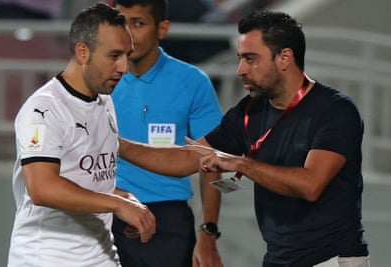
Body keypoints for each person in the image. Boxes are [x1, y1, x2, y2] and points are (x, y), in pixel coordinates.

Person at [117, 10, 370, 267]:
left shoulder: (335, 110)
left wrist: (241, 164)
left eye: (251, 59)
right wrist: (117, 144)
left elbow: (310, 185)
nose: (240, 70)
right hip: (277, 259)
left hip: (332, 260)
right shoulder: (248, 111)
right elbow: (183, 159)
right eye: (240, 59)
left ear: (284, 58)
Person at [6, 3, 156, 267]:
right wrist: (116, 204)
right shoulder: (42, 109)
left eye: (126, 55)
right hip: (46, 259)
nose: (124, 67)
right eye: (114, 55)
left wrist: (125, 200)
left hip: (101, 255)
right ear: (83, 52)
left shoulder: (104, 102)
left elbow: (86, 177)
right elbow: (43, 188)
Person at [111, 1, 223, 267]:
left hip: (167, 221)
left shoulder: (193, 82)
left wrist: (208, 232)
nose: (128, 34)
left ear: (162, 28)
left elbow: (212, 162)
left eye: (138, 23)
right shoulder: (98, 80)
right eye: (121, 23)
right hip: (106, 210)